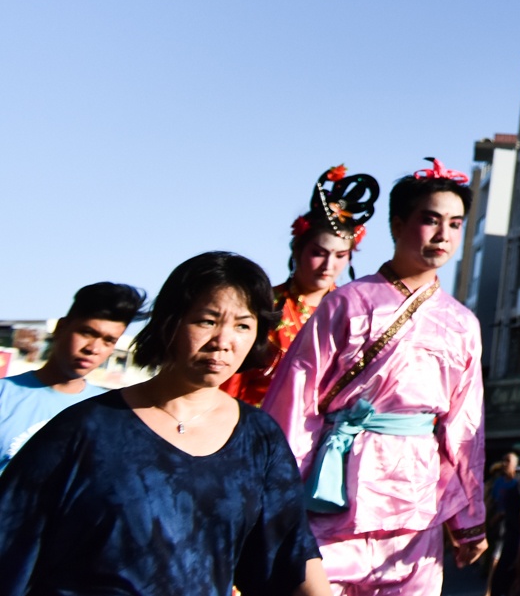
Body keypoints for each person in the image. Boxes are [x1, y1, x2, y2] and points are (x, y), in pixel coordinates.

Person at [0, 252, 326, 595]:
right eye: (207, 321)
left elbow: (291, 556)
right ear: (170, 322)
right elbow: (11, 538)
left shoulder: (260, 439)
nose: (223, 342)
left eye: (243, 326)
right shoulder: (84, 429)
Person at [263, 158, 489, 593]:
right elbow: (296, 404)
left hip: (417, 496)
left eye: (456, 224)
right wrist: (277, 498)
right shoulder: (345, 303)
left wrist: (469, 517)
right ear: (398, 224)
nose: (443, 235)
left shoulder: (463, 323)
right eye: (430, 220)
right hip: (334, 488)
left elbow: (464, 429)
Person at [225, 165, 379, 406]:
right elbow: (231, 378)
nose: (328, 265)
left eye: (340, 255)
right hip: (255, 417)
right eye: (319, 253)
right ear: (297, 249)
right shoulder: (261, 303)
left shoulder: (355, 315)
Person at [0, 280, 144, 470]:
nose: (93, 349)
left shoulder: (111, 410)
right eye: (87, 333)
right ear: (61, 328)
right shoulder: (4, 395)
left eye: (108, 341)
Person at [487, 452, 520, 596]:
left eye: (508, 461)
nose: (504, 464)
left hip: (512, 526)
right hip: (500, 525)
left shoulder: (519, 485)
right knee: (495, 556)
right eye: (503, 460)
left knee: (498, 557)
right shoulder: (498, 483)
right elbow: (493, 501)